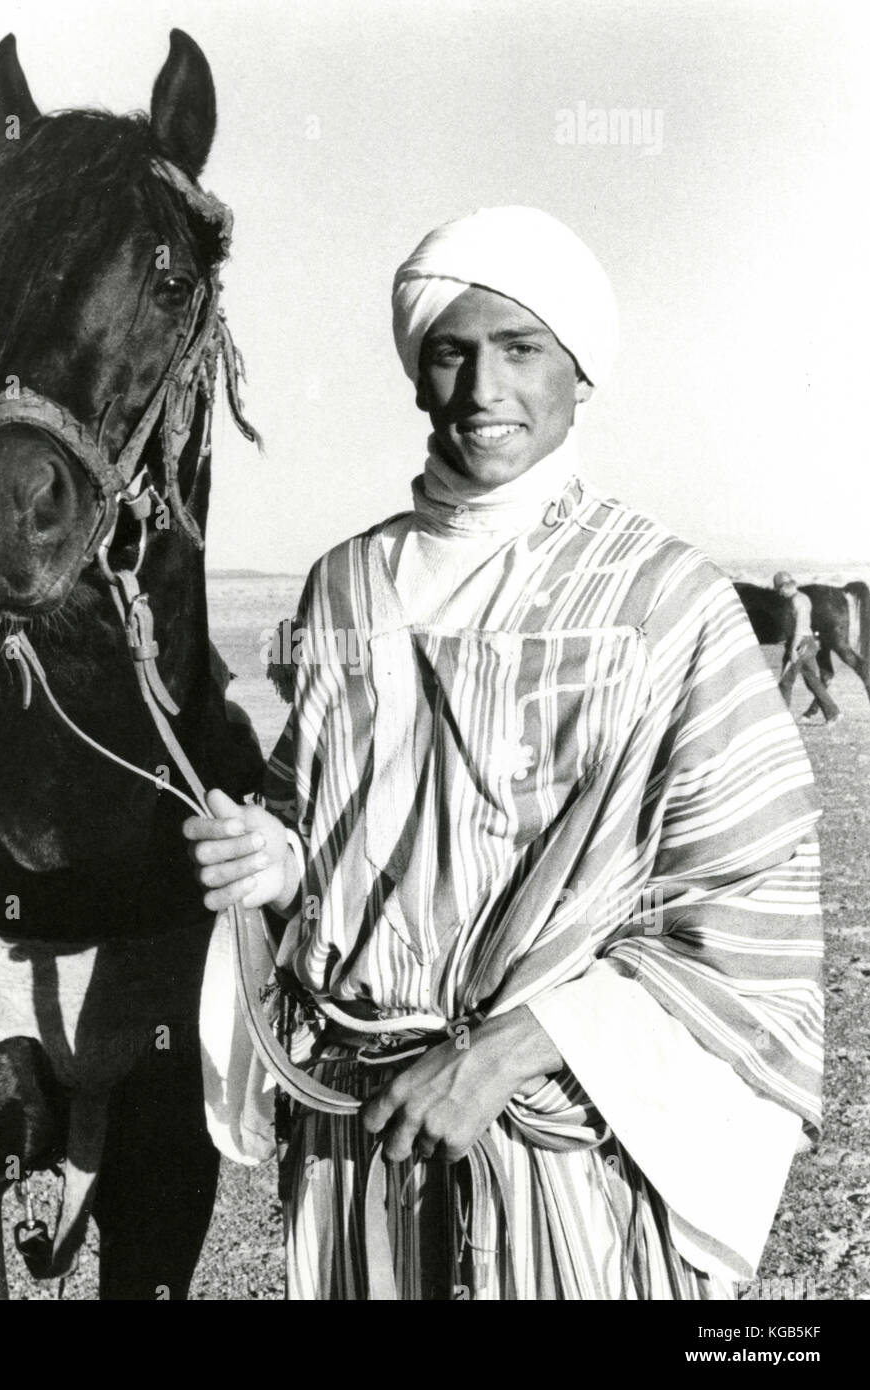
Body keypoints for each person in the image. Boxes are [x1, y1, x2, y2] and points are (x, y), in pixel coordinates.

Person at [183, 207, 824, 1300]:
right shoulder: (348, 584)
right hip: (359, 1140)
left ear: (581, 370)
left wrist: (511, 1048)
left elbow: (745, 911)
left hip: (557, 1148)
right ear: (418, 376)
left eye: (521, 349)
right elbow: (318, 807)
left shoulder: (664, 602)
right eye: (452, 350)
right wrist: (278, 858)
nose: (483, 387)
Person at [772, 569, 841, 725]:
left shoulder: (797, 601)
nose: (779, 594)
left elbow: (799, 628)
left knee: (786, 682)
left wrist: (793, 650)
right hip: (808, 642)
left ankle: (781, 721)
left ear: (784, 587)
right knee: (813, 681)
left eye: (779, 590)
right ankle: (833, 713)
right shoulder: (803, 598)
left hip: (800, 644)